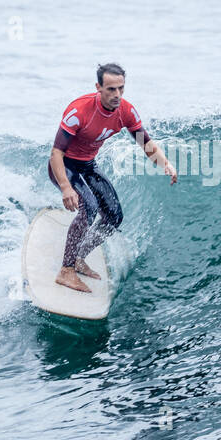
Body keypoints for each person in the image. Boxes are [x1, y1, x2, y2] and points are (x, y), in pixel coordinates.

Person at [48, 63, 177, 292]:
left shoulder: (126, 111)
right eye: (111, 89)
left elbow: (145, 142)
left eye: (121, 88)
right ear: (98, 87)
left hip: (87, 164)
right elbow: (56, 153)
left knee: (114, 216)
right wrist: (67, 188)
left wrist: (165, 163)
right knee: (88, 207)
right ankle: (65, 271)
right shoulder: (79, 112)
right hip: (64, 165)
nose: (117, 95)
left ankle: (78, 256)